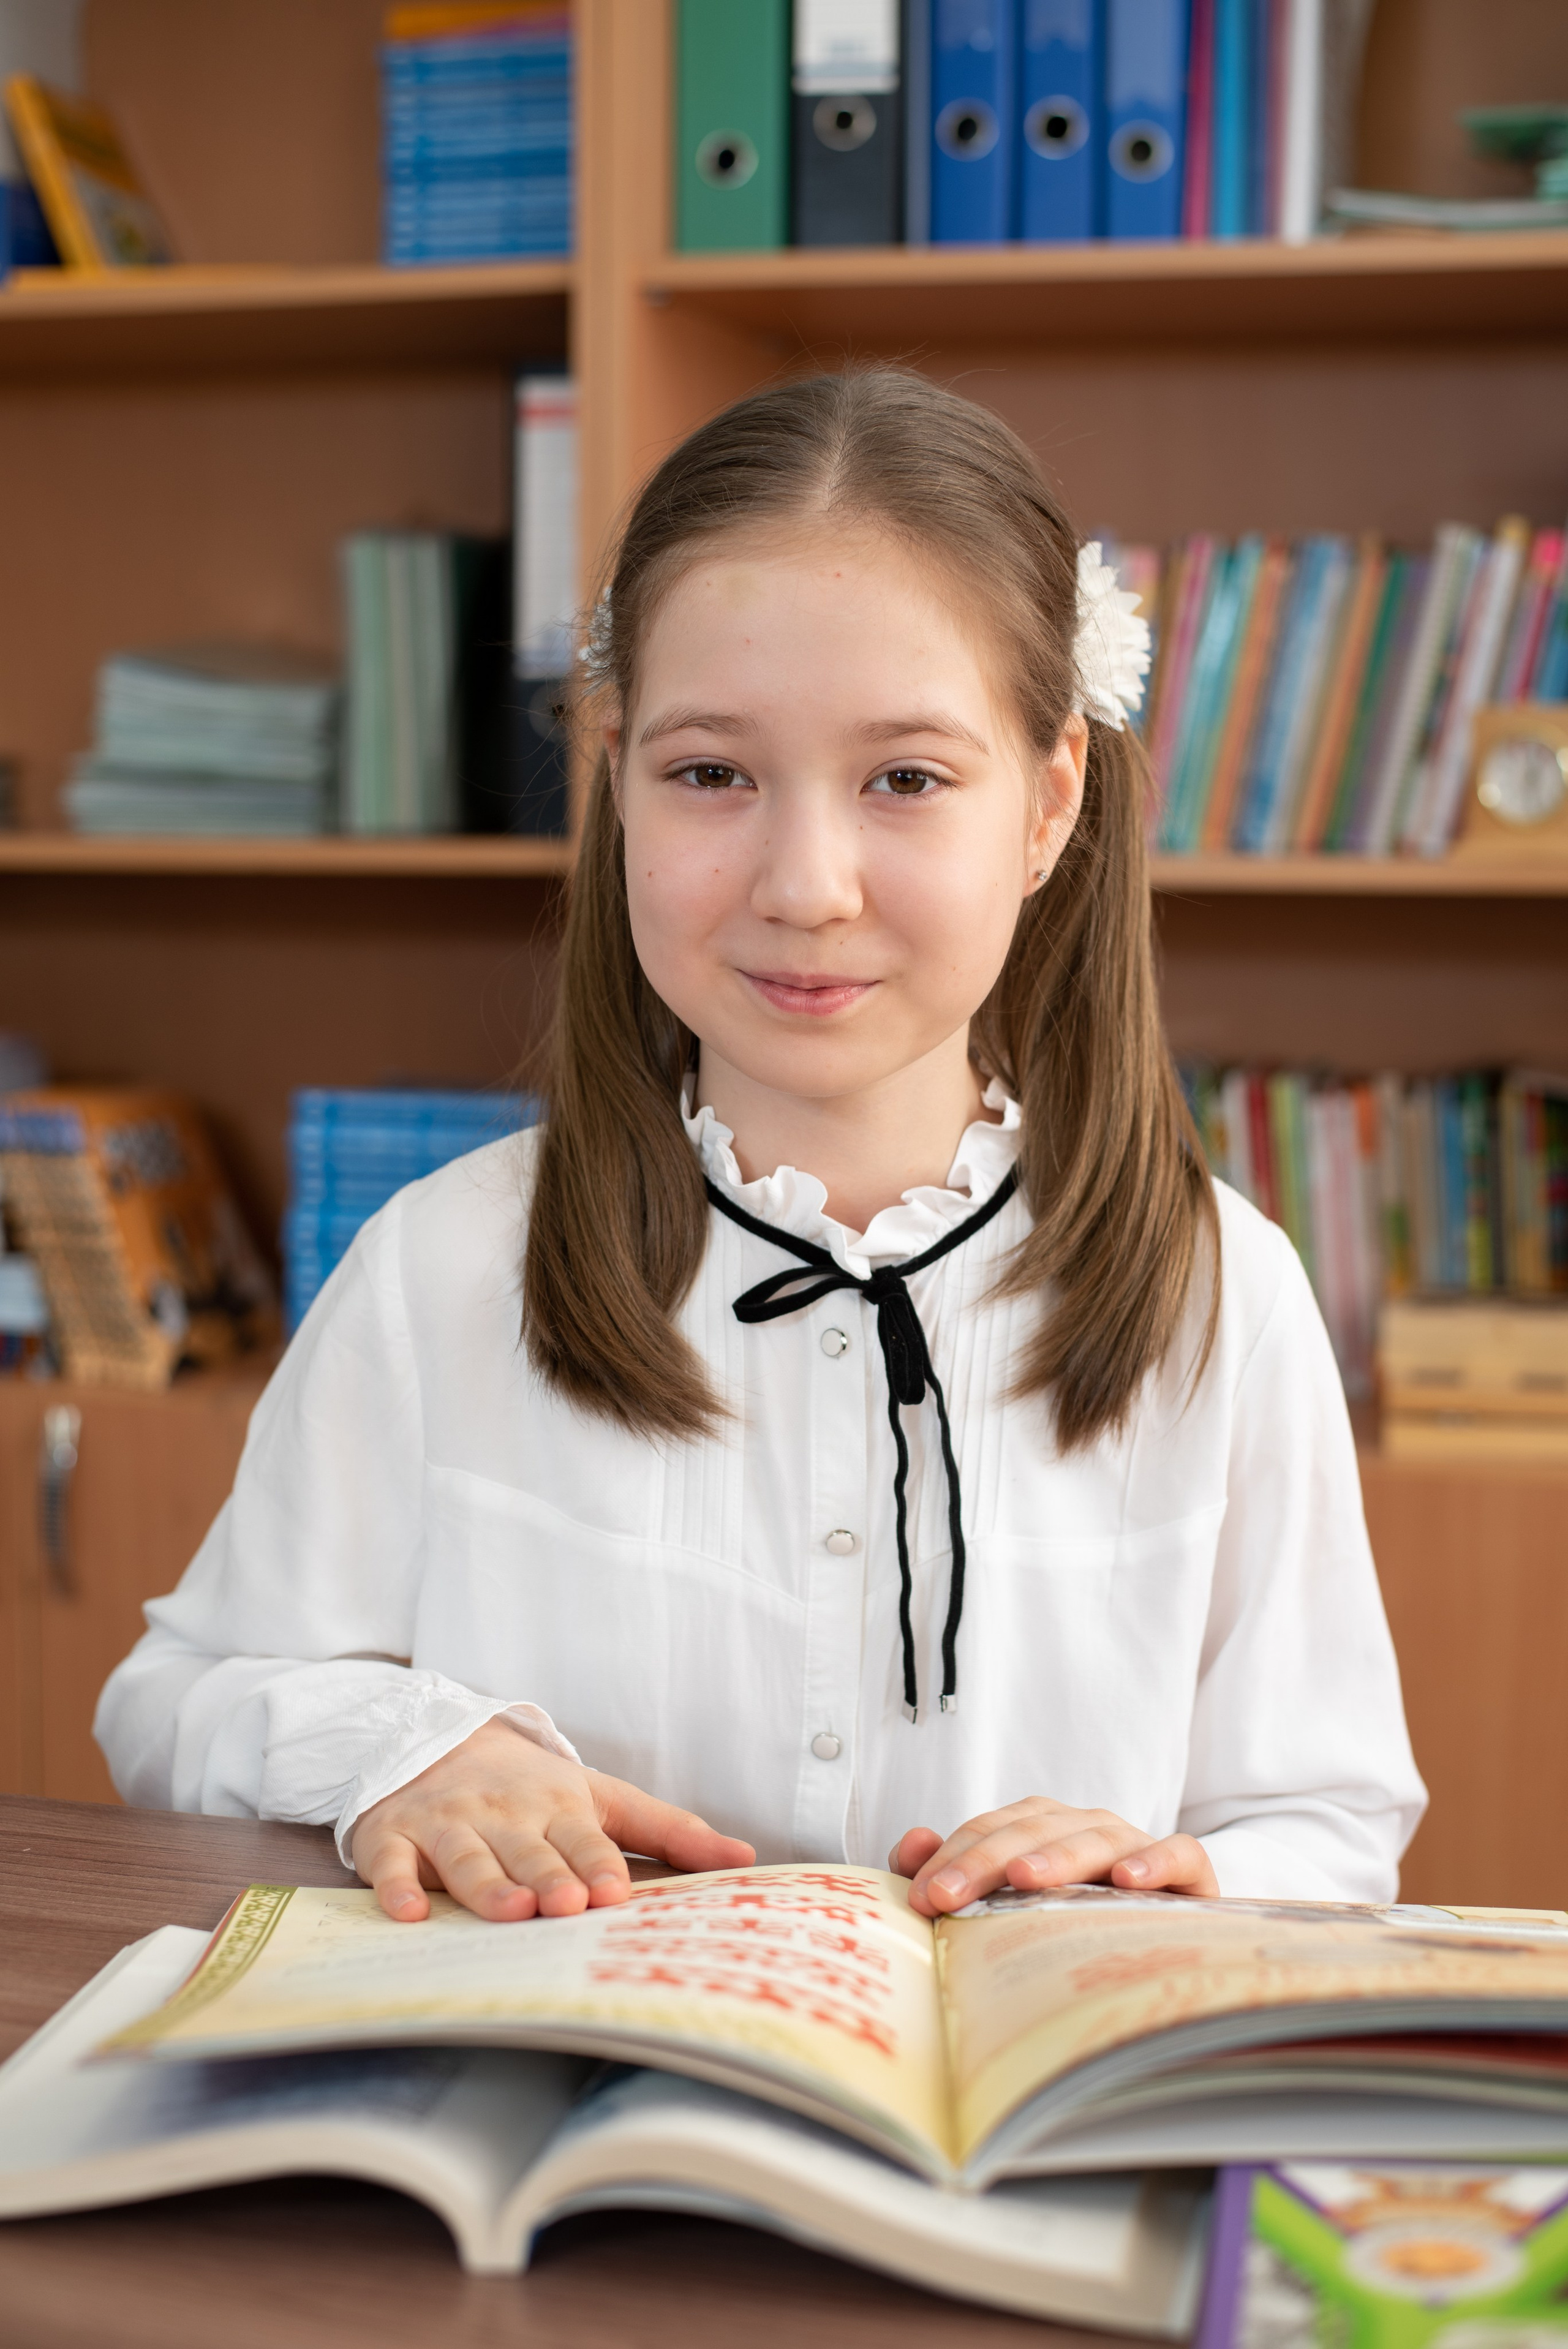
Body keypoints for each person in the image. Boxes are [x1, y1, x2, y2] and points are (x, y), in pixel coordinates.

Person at [96, 368, 1425, 1927]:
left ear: (1051, 804)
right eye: (710, 773)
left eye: (906, 780)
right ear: (615, 780)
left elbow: (1327, 1825)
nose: (804, 884)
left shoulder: (1222, 1296)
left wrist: (1173, 1867)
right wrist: (406, 1750)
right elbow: (174, 1700)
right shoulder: (445, 1266)